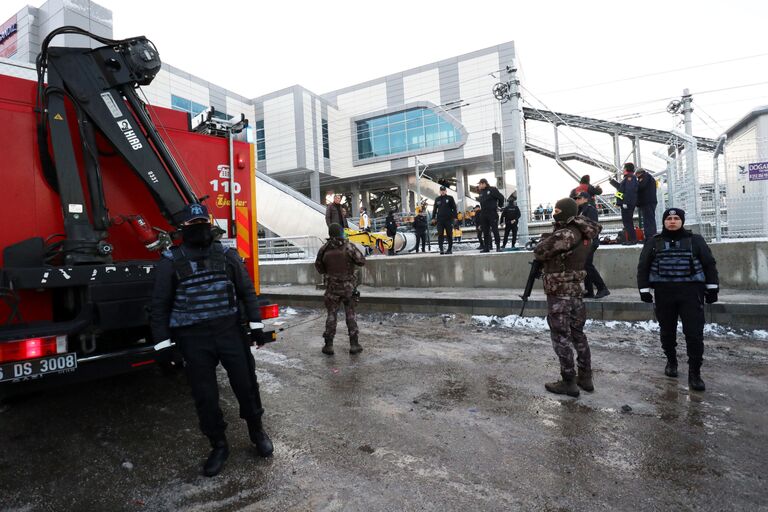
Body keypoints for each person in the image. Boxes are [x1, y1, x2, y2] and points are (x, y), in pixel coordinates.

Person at [150, 203, 273, 478]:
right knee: (205, 396)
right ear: (184, 229)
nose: (200, 230)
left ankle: (257, 431)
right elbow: (159, 306)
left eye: (202, 224)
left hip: (229, 332)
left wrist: (256, 327)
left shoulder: (227, 254)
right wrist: (164, 347)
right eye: (194, 225)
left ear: (210, 225)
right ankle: (218, 445)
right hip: (193, 339)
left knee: (246, 385)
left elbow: (247, 292)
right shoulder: (171, 260)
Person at [637, 208, 719, 392]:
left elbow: (709, 264)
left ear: (682, 221)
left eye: (676, 218)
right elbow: (643, 266)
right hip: (664, 293)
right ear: (664, 221)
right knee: (667, 331)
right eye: (668, 218)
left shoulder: (695, 240)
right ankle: (671, 361)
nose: (672, 221)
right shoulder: (654, 242)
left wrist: (712, 289)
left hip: (691, 293)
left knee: (694, 333)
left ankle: (695, 374)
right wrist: (644, 290)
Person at [534, 197, 602, 397]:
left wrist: (546, 238)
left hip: (560, 291)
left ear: (564, 211)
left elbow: (540, 251)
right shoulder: (583, 231)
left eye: (556, 210)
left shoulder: (566, 233)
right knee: (578, 334)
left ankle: (568, 381)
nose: (554, 213)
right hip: (575, 290)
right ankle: (585, 377)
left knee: (561, 336)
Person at [315, 223, 366, 356]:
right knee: (350, 315)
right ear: (341, 233)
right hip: (348, 288)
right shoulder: (348, 246)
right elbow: (361, 261)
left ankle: (328, 345)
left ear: (330, 234)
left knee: (331, 315)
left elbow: (319, 268)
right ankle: (354, 344)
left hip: (332, 288)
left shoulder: (324, 249)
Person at [573, 192, 610, 299]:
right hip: (584, 241)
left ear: (585, 199)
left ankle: (602, 288)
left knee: (587, 265)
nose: (577, 200)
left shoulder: (590, 209)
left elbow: (593, 226)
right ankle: (589, 291)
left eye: (579, 198)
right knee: (585, 265)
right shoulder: (580, 210)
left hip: (590, 241)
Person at [609, 163, 638, 245]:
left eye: (624, 168)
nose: (622, 169)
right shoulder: (627, 178)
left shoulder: (630, 178)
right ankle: (631, 239)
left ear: (627, 169)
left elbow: (629, 191)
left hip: (627, 204)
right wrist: (612, 182)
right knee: (627, 222)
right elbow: (621, 188)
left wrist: (625, 202)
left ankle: (633, 240)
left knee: (627, 222)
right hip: (626, 203)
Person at [477, 178, 505, 252]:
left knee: (495, 230)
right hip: (484, 214)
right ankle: (487, 247)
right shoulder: (481, 192)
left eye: (479, 184)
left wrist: (499, 206)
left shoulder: (492, 189)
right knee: (485, 231)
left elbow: (501, 197)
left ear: (484, 183)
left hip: (492, 213)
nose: (479, 186)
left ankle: (498, 247)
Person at [431, 185, 457, 255]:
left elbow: (454, 208)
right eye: (441, 190)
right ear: (440, 191)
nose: (442, 191)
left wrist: (455, 217)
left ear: (446, 191)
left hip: (448, 220)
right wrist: (433, 218)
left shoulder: (450, 198)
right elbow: (434, 209)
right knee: (440, 234)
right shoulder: (437, 199)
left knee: (449, 235)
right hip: (440, 220)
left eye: (444, 190)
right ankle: (441, 249)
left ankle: (449, 249)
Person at [635, 169, 658, 239]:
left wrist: (636, 184)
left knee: (649, 220)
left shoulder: (646, 177)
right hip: (648, 201)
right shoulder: (648, 177)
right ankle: (650, 236)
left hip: (648, 202)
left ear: (639, 173)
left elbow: (641, 187)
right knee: (648, 220)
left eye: (636, 175)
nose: (636, 177)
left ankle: (651, 236)